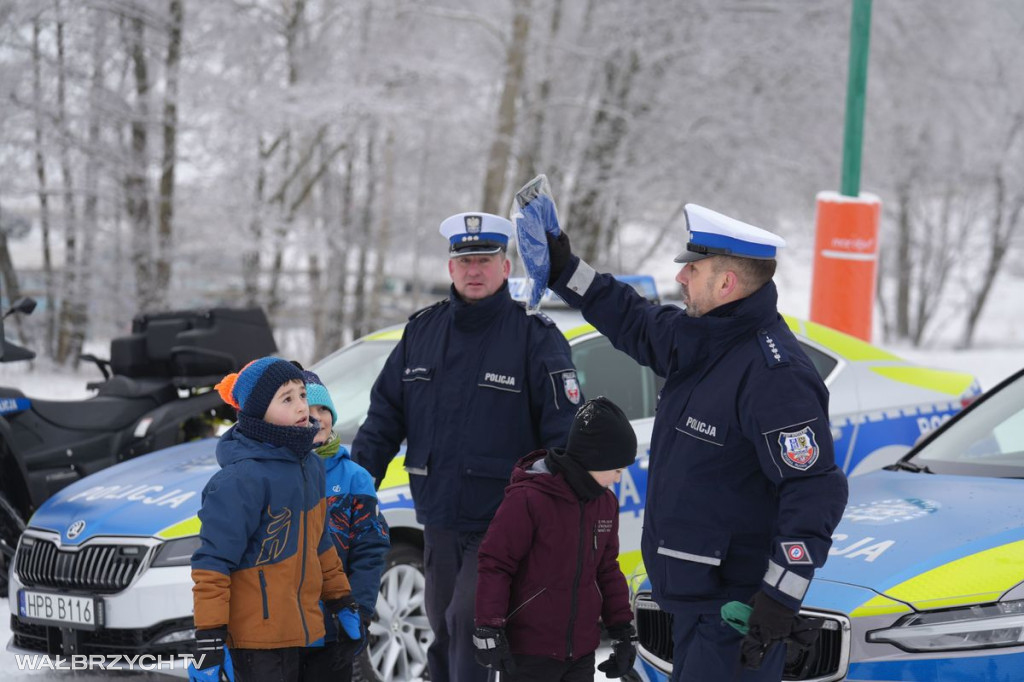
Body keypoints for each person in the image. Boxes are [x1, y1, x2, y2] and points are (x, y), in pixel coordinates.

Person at [538, 200, 849, 681]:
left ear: (726, 283)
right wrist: (567, 270)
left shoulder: (775, 375)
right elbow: (633, 319)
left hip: (733, 613)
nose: (680, 278)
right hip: (689, 599)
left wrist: (779, 597)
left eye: (693, 268)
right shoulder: (702, 338)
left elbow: (813, 489)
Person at [351, 211, 581, 682]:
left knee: (467, 624)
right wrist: (354, 489)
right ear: (450, 268)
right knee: (444, 631)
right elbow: (382, 420)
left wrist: (551, 512)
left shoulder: (535, 338)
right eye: (465, 260)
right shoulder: (421, 333)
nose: (474, 270)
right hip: (438, 519)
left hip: (504, 522)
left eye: (485, 259)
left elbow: (564, 436)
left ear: (506, 267)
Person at [191, 357, 359, 682]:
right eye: (287, 398)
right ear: (257, 412)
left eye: (302, 395)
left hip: (307, 632)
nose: (301, 407)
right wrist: (209, 637)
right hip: (256, 643)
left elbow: (319, 542)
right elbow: (212, 565)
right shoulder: (240, 480)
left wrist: (341, 597)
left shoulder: (309, 466)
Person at [474, 396, 638, 682]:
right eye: (616, 469)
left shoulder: (605, 504)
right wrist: (489, 627)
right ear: (595, 459)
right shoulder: (530, 499)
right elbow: (496, 563)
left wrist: (623, 630)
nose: (618, 478)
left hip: (581, 652)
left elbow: (607, 569)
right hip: (530, 652)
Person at [301, 369, 390, 682]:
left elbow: (370, 549)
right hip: (282, 626)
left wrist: (361, 610)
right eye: (307, 411)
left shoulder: (355, 478)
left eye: (323, 409)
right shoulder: (276, 474)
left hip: (335, 622)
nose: (318, 418)